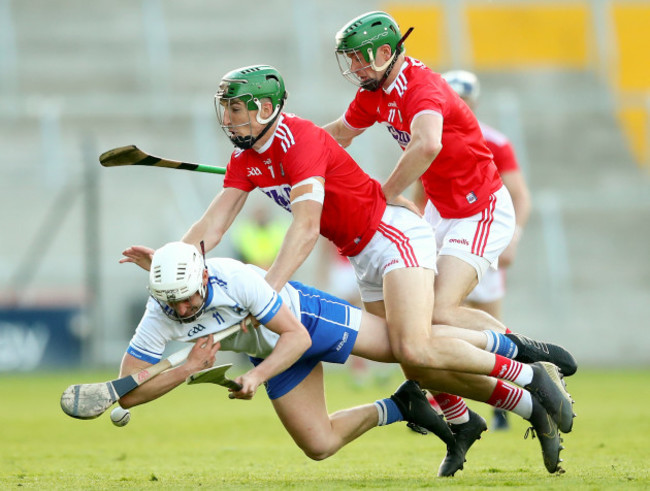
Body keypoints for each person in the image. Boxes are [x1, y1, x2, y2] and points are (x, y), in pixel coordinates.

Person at [121, 64, 576, 476]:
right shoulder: (248, 159)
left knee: (414, 345)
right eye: (226, 109)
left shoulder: (297, 143)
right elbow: (212, 224)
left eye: (237, 109)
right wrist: (173, 261)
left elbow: (305, 229)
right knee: (417, 363)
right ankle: (517, 408)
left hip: (391, 234)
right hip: (362, 253)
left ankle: (527, 365)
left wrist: (267, 294)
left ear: (264, 108)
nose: (229, 119)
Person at [324, 11, 571, 457]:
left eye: (360, 59)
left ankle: (532, 359)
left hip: (481, 210)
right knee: (414, 335)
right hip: (441, 212)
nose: (355, 69)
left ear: (385, 53)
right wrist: (290, 151)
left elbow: (428, 144)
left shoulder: (422, 87)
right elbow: (340, 134)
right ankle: (473, 412)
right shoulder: (374, 92)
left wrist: (384, 194)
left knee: (437, 311)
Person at [119, 241, 572, 473]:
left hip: (307, 322)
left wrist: (256, 377)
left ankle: (520, 356)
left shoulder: (234, 278)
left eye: (186, 298)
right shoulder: (159, 313)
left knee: (413, 348)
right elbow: (128, 393)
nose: (180, 310)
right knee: (319, 446)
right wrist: (185, 370)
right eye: (170, 302)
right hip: (279, 356)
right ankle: (405, 405)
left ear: (202, 276)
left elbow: (294, 338)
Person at [438, 69, 532, 430]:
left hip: (481, 232)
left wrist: (513, 237)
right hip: (449, 234)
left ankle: (509, 395)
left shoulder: (494, 140)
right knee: (442, 318)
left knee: (490, 325)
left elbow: (519, 194)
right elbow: (422, 190)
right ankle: (452, 400)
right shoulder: (430, 133)